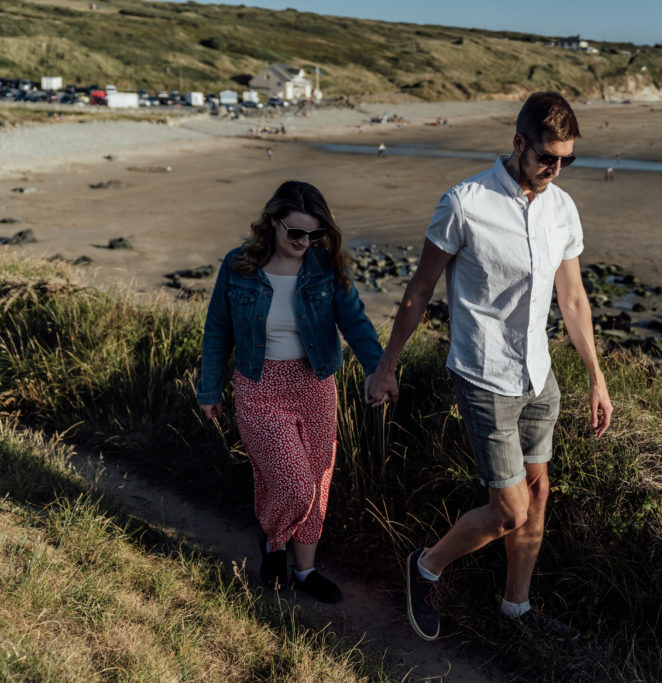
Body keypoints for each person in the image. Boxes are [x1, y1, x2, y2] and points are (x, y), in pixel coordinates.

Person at [365, 92, 613, 641]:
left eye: (567, 159)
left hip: (537, 374)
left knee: (539, 494)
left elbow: (572, 299)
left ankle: (515, 611)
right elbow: (420, 289)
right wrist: (387, 365)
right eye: (548, 156)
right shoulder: (465, 202)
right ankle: (426, 566)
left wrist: (596, 377)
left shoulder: (561, 208)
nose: (555, 169)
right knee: (510, 512)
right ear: (518, 142)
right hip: (484, 376)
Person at [196, 180, 383, 603]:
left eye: (315, 234)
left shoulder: (324, 268)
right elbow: (218, 331)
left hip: (315, 386)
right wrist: (209, 387)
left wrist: (379, 369)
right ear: (273, 223)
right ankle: (274, 543)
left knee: (317, 484)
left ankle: (305, 570)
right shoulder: (239, 266)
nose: (306, 242)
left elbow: (355, 322)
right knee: (294, 483)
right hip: (259, 387)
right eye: (296, 232)